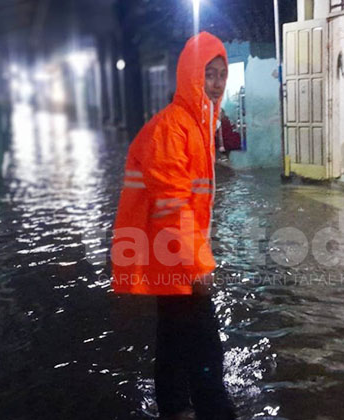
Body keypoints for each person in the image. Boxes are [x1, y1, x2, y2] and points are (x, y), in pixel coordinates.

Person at [111, 32, 236, 420]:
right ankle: (211, 411)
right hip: (176, 257)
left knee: (174, 337)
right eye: (208, 74)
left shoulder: (196, 126)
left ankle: (175, 407)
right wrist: (199, 266)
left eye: (220, 75)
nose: (215, 84)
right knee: (206, 349)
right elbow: (172, 207)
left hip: (171, 254)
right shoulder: (174, 129)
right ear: (190, 76)